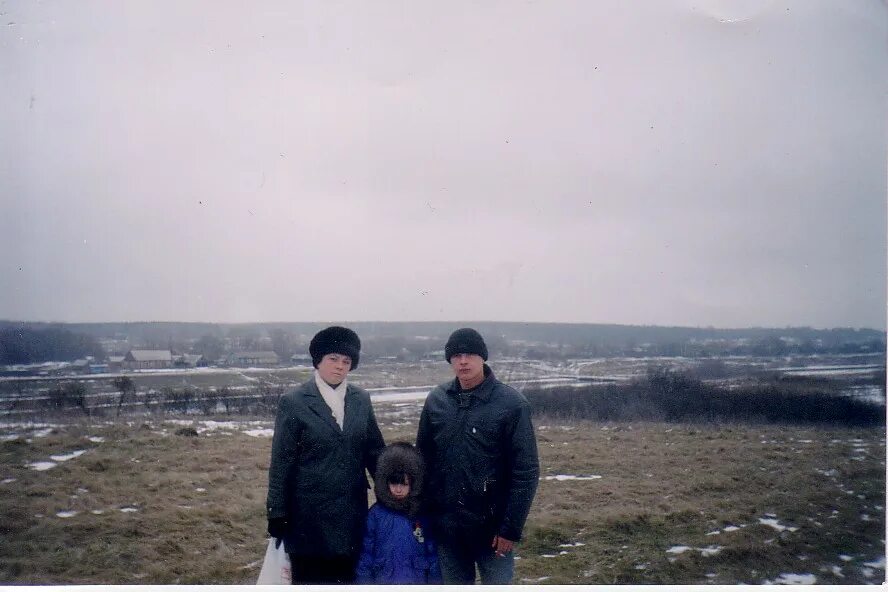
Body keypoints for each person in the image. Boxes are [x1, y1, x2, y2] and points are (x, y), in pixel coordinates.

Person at [416, 328, 540, 584]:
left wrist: (510, 529)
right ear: (449, 360)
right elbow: (422, 463)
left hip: (493, 533)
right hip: (447, 531)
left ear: (482, 357)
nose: (463, 361)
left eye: (470, 354)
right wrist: (424, 515)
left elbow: (525, 472)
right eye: (457, 355)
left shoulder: (511, 404)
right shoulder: (437, 401)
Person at [265, 326, 385, 584]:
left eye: (346, 361)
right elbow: (282, 461)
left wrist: (390, 493)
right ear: (318, 360)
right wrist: (277, 511)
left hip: (352, 513)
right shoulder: (294, 401)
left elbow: (374, 451)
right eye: (333, 358)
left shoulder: (361, 399)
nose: (340, 366)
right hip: (308, 518)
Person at [355, 442, 442, 584]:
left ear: (414, 483)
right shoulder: (376, 515)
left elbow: (432, 555)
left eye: (404, 484)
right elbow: (366, 556)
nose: (398, 489)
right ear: (385, 482)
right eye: (394, 483)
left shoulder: (421, 515)